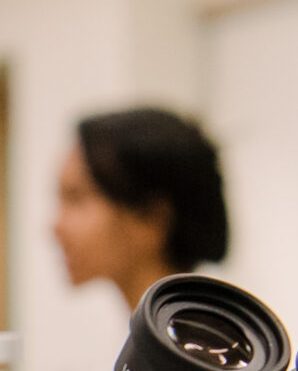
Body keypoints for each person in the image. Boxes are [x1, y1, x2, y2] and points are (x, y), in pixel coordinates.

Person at [52, 107, 230, 309]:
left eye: (76, 199)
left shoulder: (182, 338)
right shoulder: (164, 332)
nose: (56, 226)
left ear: (151, 218)